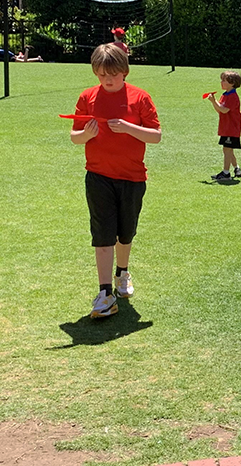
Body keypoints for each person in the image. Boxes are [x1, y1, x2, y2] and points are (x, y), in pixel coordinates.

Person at [70, 43, 161, 319]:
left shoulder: (140, 98)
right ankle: (105, 293)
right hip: (98, 176)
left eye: (113, 75)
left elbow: (156, 136)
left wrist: (128, 127)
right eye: (101, 75)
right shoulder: (87, 97)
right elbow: (74, 136)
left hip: (132, 177)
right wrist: (86, 134)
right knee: (102, 234)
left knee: (125, 232)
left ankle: (122, 273)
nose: (107, 80)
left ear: (125, 71)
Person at [207, 70, 241, 181]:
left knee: (227, 149)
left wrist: (214, 101)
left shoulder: (232, 96)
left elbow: (224, 110)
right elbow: (219, 110)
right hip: (226, 127)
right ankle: (236, 168)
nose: (221, 82)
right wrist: (214, 102)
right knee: (228, 149)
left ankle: (226, 173)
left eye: (224, 80)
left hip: (231, 127)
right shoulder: (225, 95)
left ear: (232, 83)